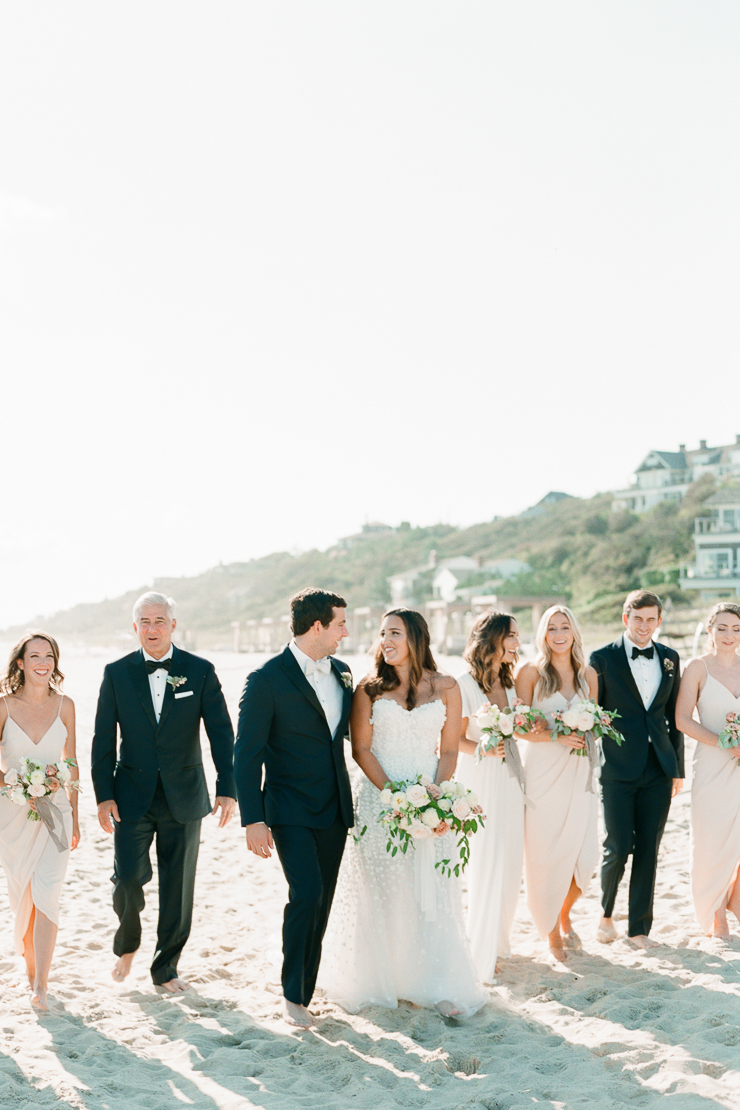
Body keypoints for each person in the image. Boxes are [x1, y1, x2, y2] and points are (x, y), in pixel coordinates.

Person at [320, 608, 486, 1017]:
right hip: (381, 801)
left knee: (430, 891)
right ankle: (383, 979)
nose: (385, 640)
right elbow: (361, 750)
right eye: (382, 633)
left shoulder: (447, 686)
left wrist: (435, 795)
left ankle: (436, 982)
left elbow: (448, 750)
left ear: (416, 638)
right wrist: (395, 795)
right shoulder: (369, 689)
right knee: (385, 891)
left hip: (431, 801)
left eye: (394, 632)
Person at [91, 591, 236, 992]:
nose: (152, 628)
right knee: (127, 880)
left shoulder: (200, 670)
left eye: (160, 621)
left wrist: (228, 787)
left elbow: (222, 734)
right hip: (130, 796)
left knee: (178, 886)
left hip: (185, 796)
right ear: (134, 628)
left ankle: (165, 968)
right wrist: (103, 794)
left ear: (174, 625)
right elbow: (103, 739)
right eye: (145, 622)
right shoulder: (116, 673)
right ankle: (128, 942)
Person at [234, 588, 354, 1029]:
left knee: (322, 901)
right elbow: (245, 754)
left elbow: (348, 736)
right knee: (305, 893)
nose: (346, 630)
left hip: (335, 807)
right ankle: (292, 994)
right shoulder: (266, 678)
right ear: (317, 625)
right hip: (287, 808)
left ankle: (305, 988)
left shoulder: (343, 671)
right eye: (341, 622)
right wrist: (253, 818)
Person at [589, 589, 683, 949]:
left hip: (659, 767)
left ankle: (639, 930)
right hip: (616, 767)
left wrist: (676, 770)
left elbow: (673, 719)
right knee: (617, 844)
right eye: (638, 618)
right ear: (625, 618)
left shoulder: (671, 658)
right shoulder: (602, 659)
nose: (644, 626)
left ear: (659, 621)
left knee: (648, 847)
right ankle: (606, 915)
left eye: (651, 619)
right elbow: (591, 714)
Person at [0, 632, 80, 1010]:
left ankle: (41, 986)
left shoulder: (66, 706)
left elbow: (71, 763)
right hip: (14, 814)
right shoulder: (3, 706)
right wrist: (16, 784)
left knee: (47, 892)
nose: (43, 663)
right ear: (21, 663)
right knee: (24, 897)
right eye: (34, 656)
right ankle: (31, 973)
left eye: (49, 656)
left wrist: (75, 815)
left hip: (56, 813)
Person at [516, 606, 599, 963]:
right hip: (543, 775)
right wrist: (556, 736)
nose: (559, 633)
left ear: (574, 632)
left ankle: (563, 912)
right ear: (543, 633)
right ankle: (551, 930)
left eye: (565, 626)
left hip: (580, 773)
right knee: (545, 856)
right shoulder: (531, 673)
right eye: (552, 627)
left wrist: (587, 728)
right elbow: (518, 728)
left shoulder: (588, 675)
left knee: (584, 858)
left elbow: (595, 721)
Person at [456, 611, 525, 982]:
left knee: (510, 861)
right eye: (511, 636)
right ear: (492, 639)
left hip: (512, 778)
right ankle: (478, 948)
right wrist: (485, 746)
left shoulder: (509, 682)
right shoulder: (465, 684)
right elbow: (453, 740)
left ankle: (497, 942)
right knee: (486, 861)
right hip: (481, 777)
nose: (516, 643)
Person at [675, 602, 740, 938]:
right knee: (712, 839)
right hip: (714, 764)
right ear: (710, 630)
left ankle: (736, 899)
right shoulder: (697, 668)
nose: (729, 635)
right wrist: (724, 743)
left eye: (736, 629)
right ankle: (717, 912)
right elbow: (682, 719)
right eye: (722, 628)